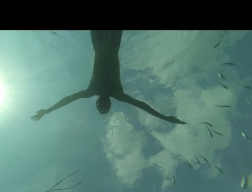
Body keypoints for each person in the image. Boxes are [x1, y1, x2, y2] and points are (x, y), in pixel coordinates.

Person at [31, 30, 186, 125]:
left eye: (101, 107)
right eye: (107, 108)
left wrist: (48, 110)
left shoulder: (91, 91)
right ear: (110, 104)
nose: (104, 105)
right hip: (113, 44)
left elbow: (68, 99)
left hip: (98, 44)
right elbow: (142, 106)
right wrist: (164, 117)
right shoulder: (118, 94)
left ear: (97, 103)